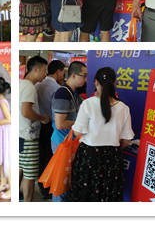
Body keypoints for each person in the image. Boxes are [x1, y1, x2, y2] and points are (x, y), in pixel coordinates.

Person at [66, 67, 134, 202]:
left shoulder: (87, 104)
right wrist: (112, 148)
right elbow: (126, 140)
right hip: (112, 158)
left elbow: (78, 132)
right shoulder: (123, 108)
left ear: (96, 82)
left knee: (86, 194)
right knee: (108, 194)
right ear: (114, 83)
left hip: (89, 157)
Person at [50, 61, 87, 202]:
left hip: (69, 143)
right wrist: (81, 123)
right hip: (62, 144)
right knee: (61, 184)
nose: (85, 79)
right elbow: (60, 124)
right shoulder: (62, 94)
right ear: (73, 75)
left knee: (66, 182)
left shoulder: (74, 94)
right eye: (84, 76)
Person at [19, 55, 49, 202]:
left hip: (21, 135)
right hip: (28, 137)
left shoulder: (22, 84)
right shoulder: (29, 87)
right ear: (36, 69)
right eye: (44, 71)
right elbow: (26, 112)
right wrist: (42, 118)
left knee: (21, 168)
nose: (45, 74)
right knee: (29, 175)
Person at [35, 60, 65, 200]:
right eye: (63, 72)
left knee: (42, 157)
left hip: (38, 124)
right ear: (58, 71)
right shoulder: (57, 89)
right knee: (49, 158)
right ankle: (47, 188)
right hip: (50, 125)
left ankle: (42, 186)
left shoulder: (38, 85)